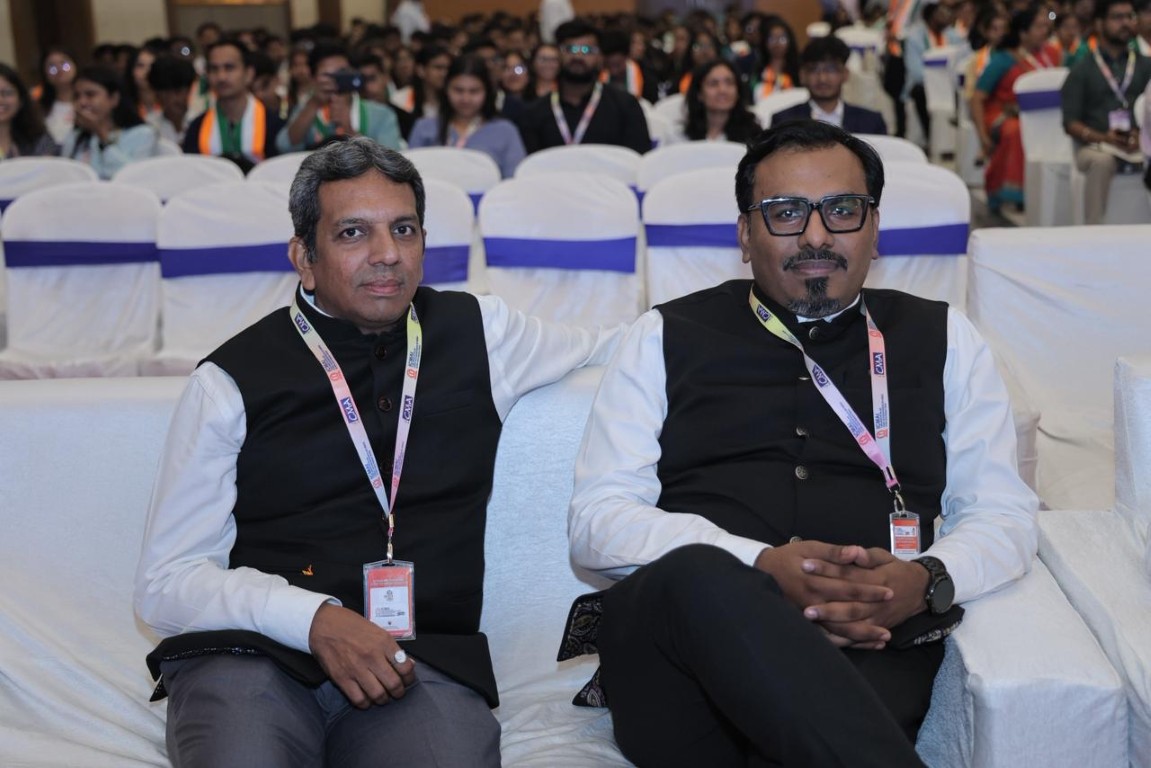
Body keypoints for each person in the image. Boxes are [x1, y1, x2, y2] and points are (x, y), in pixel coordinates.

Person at [563, 119, 1038, 767]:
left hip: (870, 639)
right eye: (786, 213)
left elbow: (1003, 514)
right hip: (680, 659)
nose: (816, 236)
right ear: (744, 234)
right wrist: (757, 568)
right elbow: (597, 522)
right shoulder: (661, 336)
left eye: (842, 210)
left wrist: (924, 580)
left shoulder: (946, 337)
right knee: (696, 574)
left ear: (874, 229)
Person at [135, 136, 619, 768]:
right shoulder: (229, 381)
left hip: (417, 664)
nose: (387, 253)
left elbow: (620, 346)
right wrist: (314, 620)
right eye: (353, 233)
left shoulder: (481, 333)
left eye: (404, 229)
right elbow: (166, 581)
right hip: (251, 657)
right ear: (304, 258)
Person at [1061, 0, 1151, 223]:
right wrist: (1104, 138)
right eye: (1117, 17)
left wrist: (1143, 136)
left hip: (1139, 143)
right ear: (1099, 24)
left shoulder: (1146, 65)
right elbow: (1070, 123)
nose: (1126, 23)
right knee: (1102, 162)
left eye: (1129, 17)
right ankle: (1094, 232)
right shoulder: (1082, 69)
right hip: (1094, 146)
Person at [970, 4, 1059, 212]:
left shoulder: (1053, 54)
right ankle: (1010, 191)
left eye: (1046, 26)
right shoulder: (1003, 59)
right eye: (1038, 27)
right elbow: (977, 98)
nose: (1044, 31)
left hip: (1045, 115)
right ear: (1023, 32)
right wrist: (982, 136)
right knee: (1017, 131)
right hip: (1004, 114)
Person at [516, 19, 652, 154]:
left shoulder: (625, 106)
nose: (578, 56)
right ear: (558, 54)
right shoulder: (535, 113)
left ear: (600, 57)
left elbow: (638, 159)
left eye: (587, 50)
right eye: (569, 49)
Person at [408, 54, 526, 177]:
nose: (466, 99)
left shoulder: (505, 131)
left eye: (474, 91)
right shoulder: (424, 127)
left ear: (487, 92)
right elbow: (409, 179)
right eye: (458, 90)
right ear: (446, 89)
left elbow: (515, 181)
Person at [278, 41, 403, 153]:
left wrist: (348, 127)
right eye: (327, 75)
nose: (335, 80)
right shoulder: (305, 110)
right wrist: (313, 104)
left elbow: (391, 158)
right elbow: (284, 146)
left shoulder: (382, 114)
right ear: (313, 78)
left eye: (342, 72)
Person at [184, 38, 285, 171]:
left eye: (229, 67)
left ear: (248, 74)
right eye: (214, 69)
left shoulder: (274, 125)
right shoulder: (196, 128)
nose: (221, 77)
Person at [772, 35, 889, 134]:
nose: (822, 78)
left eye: (831, 69)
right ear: (802, 76)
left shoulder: (871, 122)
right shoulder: (783, 122)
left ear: (845, 74)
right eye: (814, 70)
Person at [61, 65, 156, 179]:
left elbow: (133, 177)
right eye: (77, 96)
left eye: (90, 95)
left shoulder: (143, 134)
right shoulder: (75, 136)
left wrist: (101, 134)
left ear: (114, 98)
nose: (82, 102)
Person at [902, 0, 966, 145]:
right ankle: (929, 137)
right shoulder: (914, 37)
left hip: (949, 83)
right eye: (941, 14)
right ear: (931, 17)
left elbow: (961, 59)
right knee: (920, 92)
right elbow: (916, 72)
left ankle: (955, 139)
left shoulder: (953, 36)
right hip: (924, 85)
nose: (947, 17)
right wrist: (936, 80)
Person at [676, 59, 762, 143]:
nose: (722, 90)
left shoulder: (754, 136)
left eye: (729, 83)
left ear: (738, 91)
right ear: (699, 94)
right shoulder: (681, 137)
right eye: (713, 84)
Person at [0, 63, 58, 159]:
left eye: (7, 93)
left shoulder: (39, 139)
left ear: (21, 100)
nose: (0, 100)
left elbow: (49, 167)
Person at [147, 54, 198, 146]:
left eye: (183, 91)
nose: (179, 98)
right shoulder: (149, 126)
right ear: (158, 95)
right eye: (172, 92)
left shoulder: (200, 122)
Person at [753, 16, 800, 101]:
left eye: (782, 39)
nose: (777, 44)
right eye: (772, 39)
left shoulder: (798, 70)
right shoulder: (758, 71)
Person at [35, 47, 76, 144]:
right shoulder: (38, 108)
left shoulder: (86, 102)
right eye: (52, 67)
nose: (59, 70)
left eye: (64, 64)